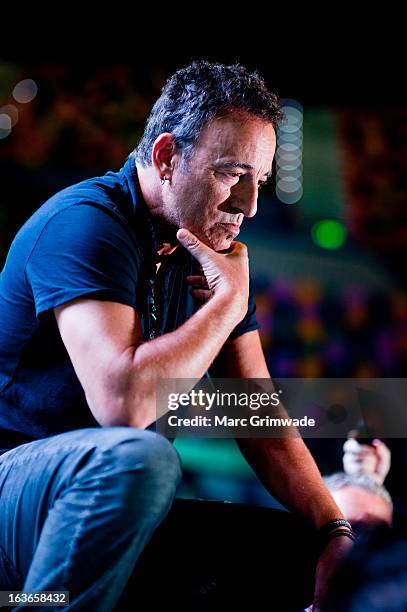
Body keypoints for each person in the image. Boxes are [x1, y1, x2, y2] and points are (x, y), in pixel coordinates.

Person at [0, 60, 354, 611]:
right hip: (16, 496)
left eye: (258, 181)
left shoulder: (207, 250)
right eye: (233, 175)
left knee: (314, 559)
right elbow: (125, 404)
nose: (250, 206)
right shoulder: (85, 222)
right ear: (167, 157)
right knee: (143, 458)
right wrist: (226, 307)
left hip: (113, 499)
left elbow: (257, 417)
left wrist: (334, 529)